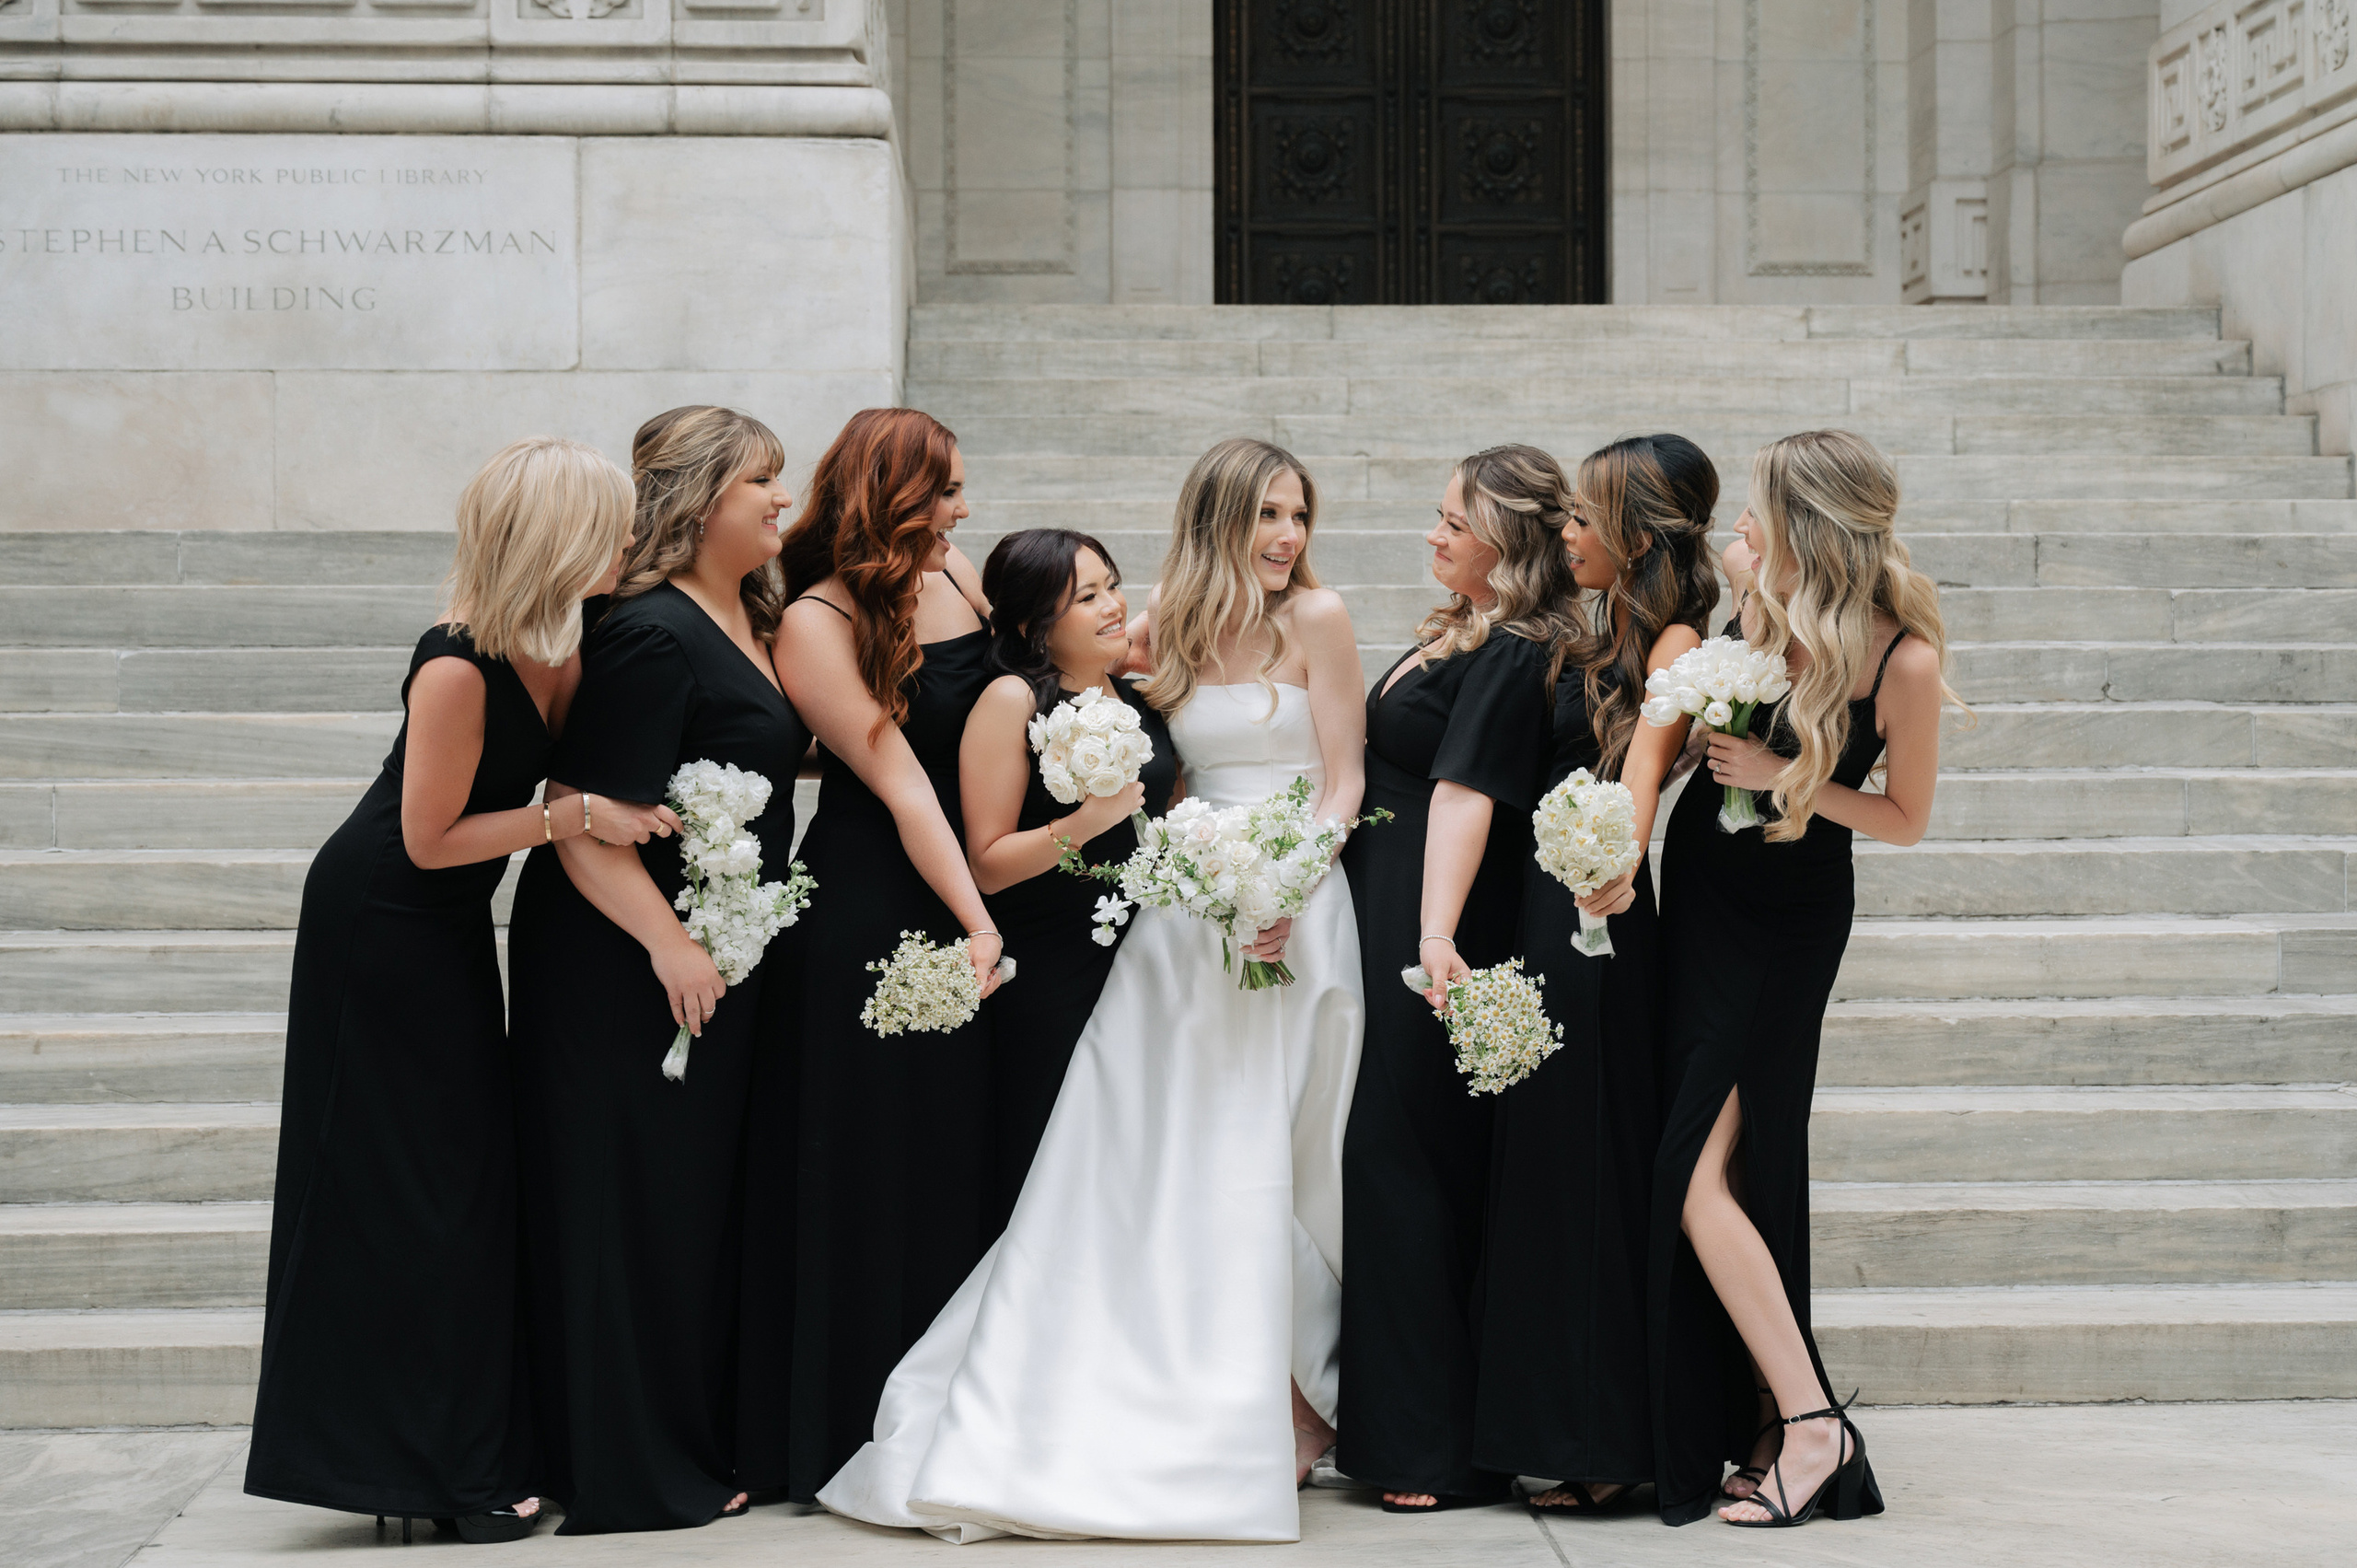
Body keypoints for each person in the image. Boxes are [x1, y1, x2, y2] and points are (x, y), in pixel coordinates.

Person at [819, 436, 1368, 1542]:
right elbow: (1043, 651)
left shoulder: (1320, 618)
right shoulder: (1158, 622)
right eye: (1265, 514)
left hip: (1297, 905)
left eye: (1298, 514)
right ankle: (1199, 1392)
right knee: (1178, 1148)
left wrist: (1284, 890)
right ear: (1215, 518)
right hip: (1176, 917)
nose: (1286, 537)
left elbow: (1344, 779)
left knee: (1301, 1145)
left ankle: (1311, 1393)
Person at [247, 436, 644, 1541]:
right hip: (381, 922)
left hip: (452, 923)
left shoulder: (581, 632)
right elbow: (428, 838)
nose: (627, 540)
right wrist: (575, 816)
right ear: (559, 535)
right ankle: (434, 1471)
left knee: (462, 1177)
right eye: (610, 522)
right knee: (411, 1183)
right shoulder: (457, 662)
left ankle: (458, 1447)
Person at [507, 406, 810, 1534]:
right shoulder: (645, 631)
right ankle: (631, 1467)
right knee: (630, 1208)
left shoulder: (747, 613)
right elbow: (579, 820)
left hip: (712, 956)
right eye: (761, 482)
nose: (784, 499)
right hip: (623, 964)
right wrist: (669, 943)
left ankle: (692, 1435)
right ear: (694, 502)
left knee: (687, 1208)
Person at [1651, 429, 1956, 1527]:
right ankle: (1767, 1422)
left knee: (1697, 1174)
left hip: (1784, 918)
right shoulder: (1759, 605)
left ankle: (1813, 1421)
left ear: (1810, 518)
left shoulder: (1899, 657)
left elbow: (1905, 819)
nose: (1746, 521)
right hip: (1698, 899)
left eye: (1764, 504)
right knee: (1725, 1167)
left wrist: (1790, 777)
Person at [750, 407, 1005, 1503]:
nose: (962, 508)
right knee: (864, 1162)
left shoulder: (954, 583)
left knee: (952, 1158)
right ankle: (840, 1428)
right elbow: (897, 776)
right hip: (874, 903)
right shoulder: (815, 615)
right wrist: (977, 917)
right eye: (945, 489)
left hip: (967, 884)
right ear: (892, 495)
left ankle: (951, 1410)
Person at [1471, 436, 1718, 1517]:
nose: (1564, 532)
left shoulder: (1671, 639)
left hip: (1601, 916)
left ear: (1637, 531)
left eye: (1583, 517)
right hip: (1553, 904)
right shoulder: (1594, 628)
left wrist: (1609, 865)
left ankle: (1612, 1439)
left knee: (1595, 1165)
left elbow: (1645, 774)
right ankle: (1559, 1425)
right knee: (1553, 1167)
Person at [1335, 445, 1573, 1512]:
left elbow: (1469, 791)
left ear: (1509, 544)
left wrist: (1434, 937)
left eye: (1452, 523)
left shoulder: (1520, 647)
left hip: (1434, 915)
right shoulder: (1464, 625)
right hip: (1384, 896)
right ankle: (1414, 1429)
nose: (1431, 534)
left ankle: (1432, 1447)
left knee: (1408, 1161)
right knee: (1394, 1159)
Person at [961, 528, 1180, 1236]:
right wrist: (1087, 820)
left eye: (1112, 585)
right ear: (1033, 624)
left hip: (1140, 948)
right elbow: (988, 863)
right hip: (1054, 955)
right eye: (1087, 596)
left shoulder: (1137, 693)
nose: (1114, 605)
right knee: (1049, 1139)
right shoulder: (1013, 700)